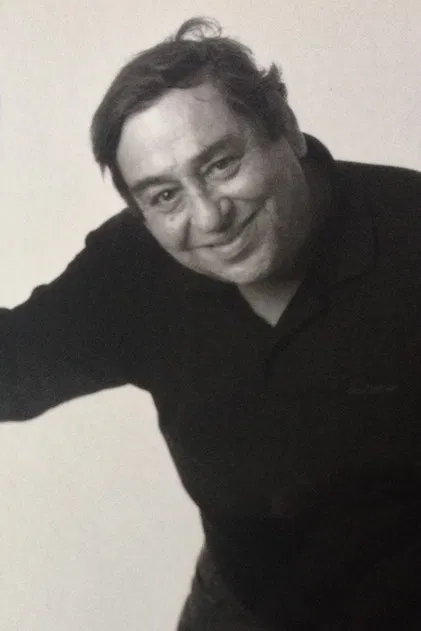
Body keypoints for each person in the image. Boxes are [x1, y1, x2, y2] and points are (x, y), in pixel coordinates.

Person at [2, 16, 421, 630]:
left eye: (221, 164)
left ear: (286, 129)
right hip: (241, 603)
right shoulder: (131, 268)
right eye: (164, 195)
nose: (209, 217)